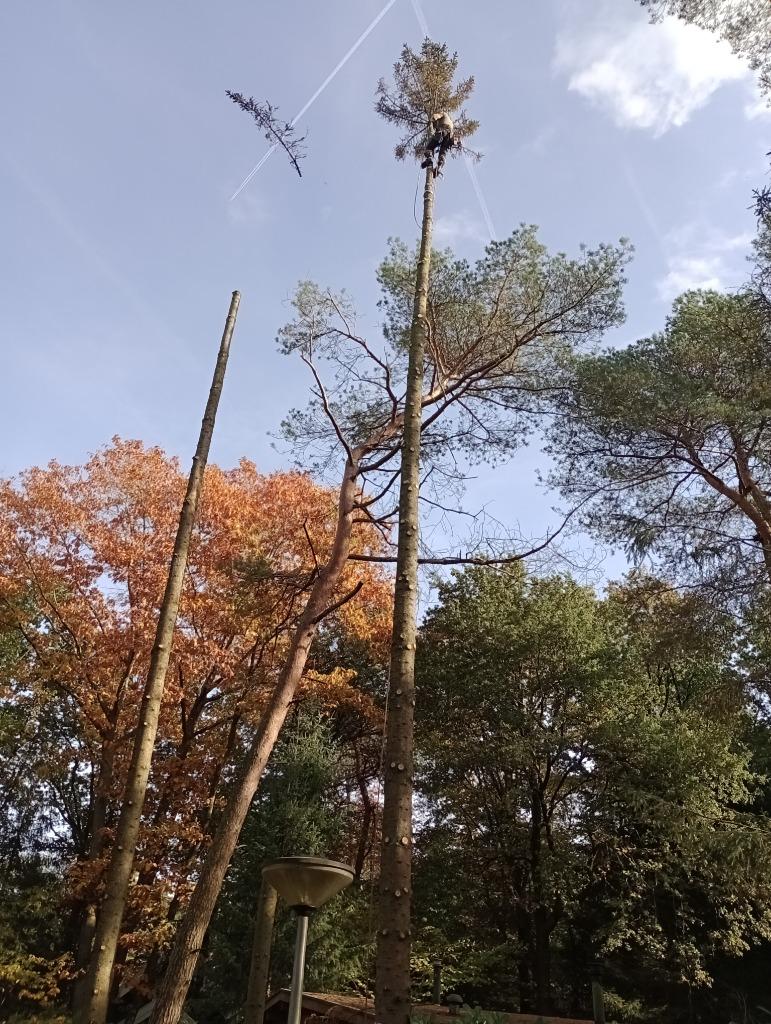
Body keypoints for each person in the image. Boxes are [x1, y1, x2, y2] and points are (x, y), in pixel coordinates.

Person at [421, 112, 455, 177]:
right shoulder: (450, 122)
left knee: (430, 147)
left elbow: (436, 116)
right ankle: (439, 167)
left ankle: (429, 159)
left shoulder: (443, 113)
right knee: (443, 152)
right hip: (449, 137)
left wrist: (431, 120)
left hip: (443, 132)